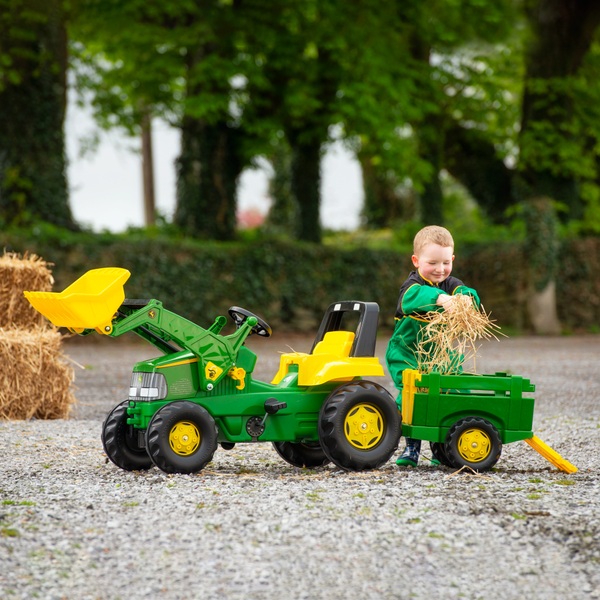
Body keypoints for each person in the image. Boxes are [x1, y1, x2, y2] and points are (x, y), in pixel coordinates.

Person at [386, 225, 480, 467]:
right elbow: (411, 300)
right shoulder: (412, 285)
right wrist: (439, 298)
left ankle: (444, 447)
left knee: (454, 390)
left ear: (452, 260)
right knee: (414, 396)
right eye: (432, 263)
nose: (440, 270)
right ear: (416, 261)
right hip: (407, 351)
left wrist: (465, 300)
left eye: (446, 263)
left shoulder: (452, 284)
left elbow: (470, 294)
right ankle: (412, 447)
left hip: (440, 353)